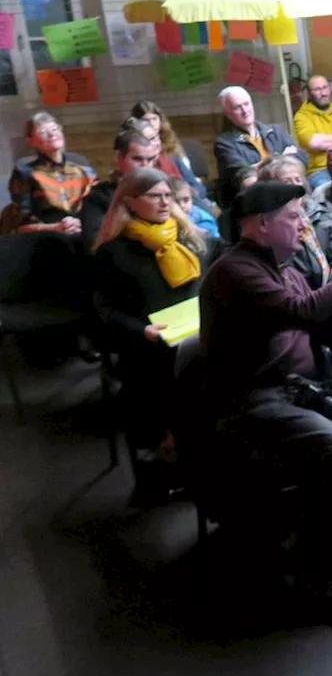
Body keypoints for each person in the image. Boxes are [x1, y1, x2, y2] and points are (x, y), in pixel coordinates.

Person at [200, 181, 332, 619]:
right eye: (292, 216)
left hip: (303, 386)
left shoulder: (287, 267)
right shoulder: (235, 271)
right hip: (251, 397)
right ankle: (326, 579)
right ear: (260, 225)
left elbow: (327, 329)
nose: (303, 223)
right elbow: (307, 310)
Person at [92, 167, 210, 468]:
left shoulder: (192, 239)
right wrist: (142, 331)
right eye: (154, 195)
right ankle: (170, 447)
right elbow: (104, 311)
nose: (164, 202)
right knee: (160, 373)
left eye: (168, 196)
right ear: (130, 201)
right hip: (149, 346)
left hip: (201, 337)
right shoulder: (113, 252)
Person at [255, 154, 332, 289]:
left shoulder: (325, 215)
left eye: (298, 179)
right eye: (287, 182)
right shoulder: (269, 225)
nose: (296, 185)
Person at [9, 111, 95, 236]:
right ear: (31, 140)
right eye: (42, 132)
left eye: (55, 129)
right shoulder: (25, 170)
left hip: (85, 229)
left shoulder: (81, 163)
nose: (52, 134)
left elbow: (96, 201)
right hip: (47, 236)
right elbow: (22, 225)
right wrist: (56, 227)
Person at [212, 86, 296, 207]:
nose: (245, 111)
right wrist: (280, 160)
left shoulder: (276, 131)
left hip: (288, 190)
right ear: (227, 114)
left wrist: (258, 167)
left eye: (246, 104)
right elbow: (244, 175)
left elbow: (301, 158)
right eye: (237, 107)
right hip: (254, 202)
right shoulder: (224, 143)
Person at [81, 123, 164, 244]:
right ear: (119, 157)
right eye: (137, 159)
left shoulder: (164, 191)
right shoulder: (98, 197)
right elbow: (93, 242)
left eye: (150, 159)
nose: (145, 166)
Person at [130, 99, 209, 203]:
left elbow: (193, 183)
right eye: (146, 120)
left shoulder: (172, 151)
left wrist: (192, 194)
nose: (151, 124)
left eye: (154, 119)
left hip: (187, 197)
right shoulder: (137, 155)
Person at [292, 75, 332, 187]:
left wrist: (324, 141)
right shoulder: (302, 116)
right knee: (327, 190)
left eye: (325, 88)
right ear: (309, 93)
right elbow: (313, 143)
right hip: (320, 171)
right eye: (317, 89)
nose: (323, 93)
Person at [170, 175, 219, 241]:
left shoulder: (200, 216)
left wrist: (187, 224)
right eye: (176, 201)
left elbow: (209, 236)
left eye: (186, 200)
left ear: (192, 199)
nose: (182, 205)